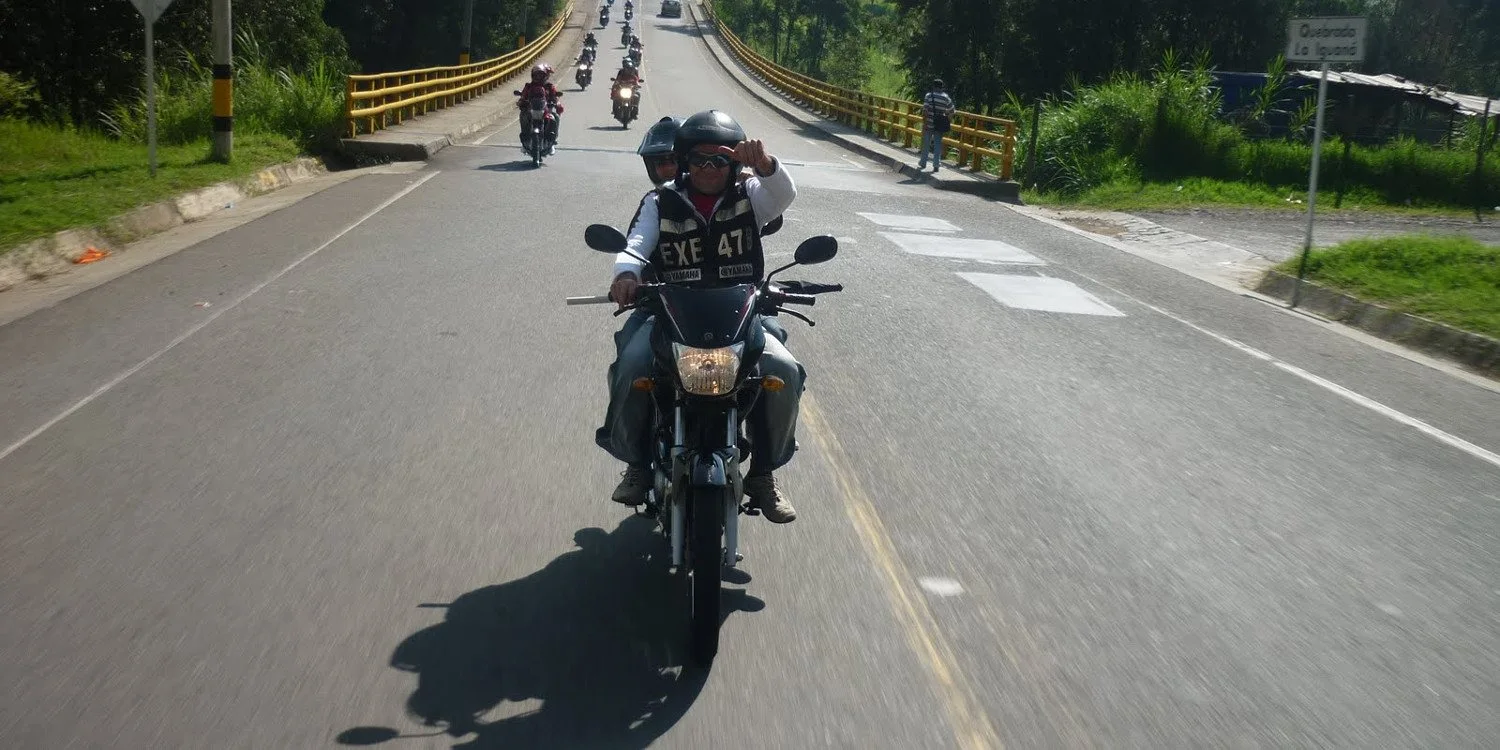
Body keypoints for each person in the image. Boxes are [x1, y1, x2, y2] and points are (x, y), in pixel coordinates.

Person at [599, 110, 802, 523]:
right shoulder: (660, 201)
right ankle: (637, 464)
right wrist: (626, 275)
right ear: (684, 161)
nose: (710, 168)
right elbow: (636, 244)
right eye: (699, 159)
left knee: (784, 370)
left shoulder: (751, 195)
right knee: (632, 365)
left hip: (741, 317)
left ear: (735, 163)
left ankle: (763, 474)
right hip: (669, 314)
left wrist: (766, 165)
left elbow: (783, 195)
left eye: (720, 159)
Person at [516, 64, 564, 154]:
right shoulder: (528, 86)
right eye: (537, 75)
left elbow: (555, 97)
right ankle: (525, 141)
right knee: (523, 116)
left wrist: (557, 103)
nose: (538, 77)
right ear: (533, 75)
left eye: (541, 75)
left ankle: (552, 142)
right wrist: (521, 102)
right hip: (531, 110)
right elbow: (523, 96)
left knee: (556, 117)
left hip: (545, 110)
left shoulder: (549, 86)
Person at [916, 77, 955, 172]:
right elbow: (952, 111)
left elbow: (925, 110)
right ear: (942, 87)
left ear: (933, 86)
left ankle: (923, 163)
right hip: (940, 125)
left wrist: (925, 123)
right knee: (938, 144)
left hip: (929, 123)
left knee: (926, 144)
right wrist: (947, 119)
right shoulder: (946, 97)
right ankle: (936, 164)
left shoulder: (929, 96)